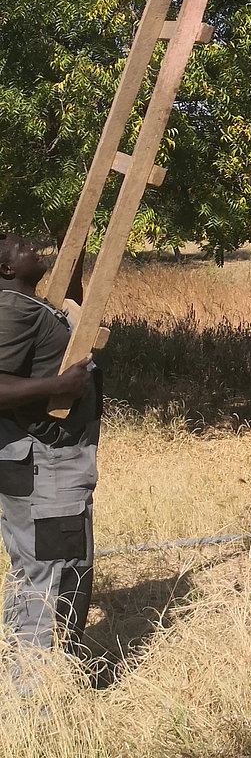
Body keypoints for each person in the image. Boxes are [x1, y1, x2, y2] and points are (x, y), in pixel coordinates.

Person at [0, 233, 99, 662]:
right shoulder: (11, 309)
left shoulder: (29, 305)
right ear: (6, 268)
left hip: (39, 459)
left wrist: (76, 250)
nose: (31, 245)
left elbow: (68, 317)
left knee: (44, 564)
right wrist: (59, 386)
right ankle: (38, 693)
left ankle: (26, 667)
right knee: (53, 569)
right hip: (44, 461)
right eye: (19, 246)